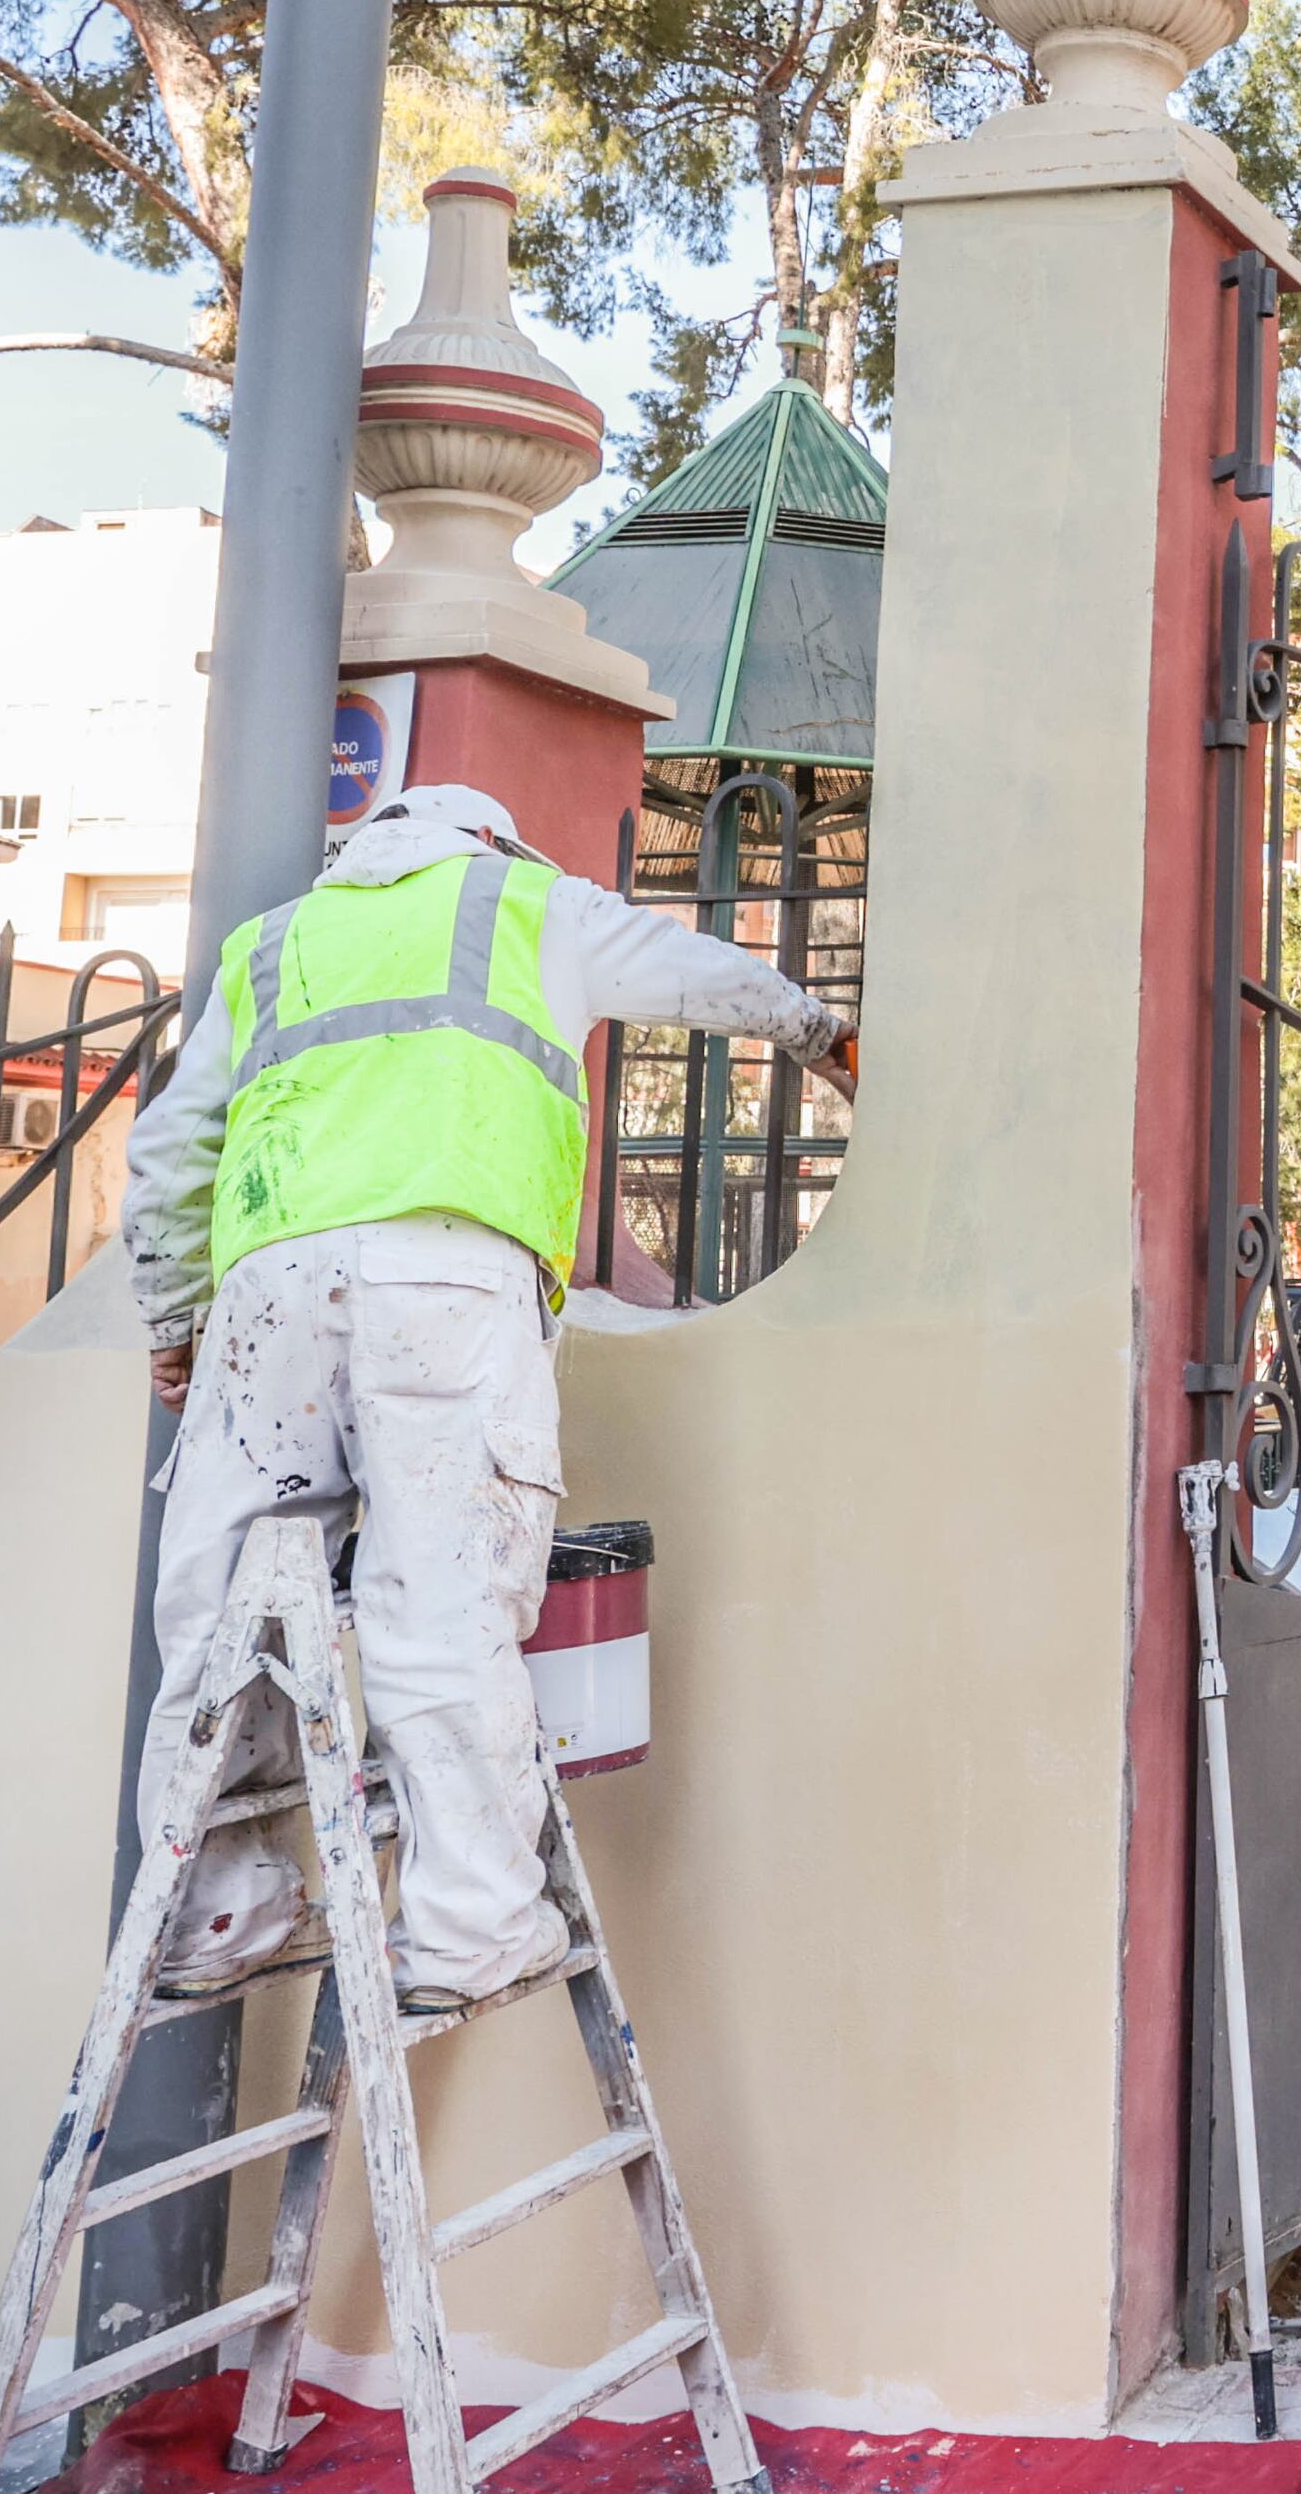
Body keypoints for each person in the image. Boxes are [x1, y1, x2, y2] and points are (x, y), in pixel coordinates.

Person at [123, 784, 855, 2014]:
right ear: (492, 840)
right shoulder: (526, 901)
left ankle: (211, 1915)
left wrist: (174, 1317)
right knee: (441, 1606)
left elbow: (172, 1149)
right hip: (444, 1282)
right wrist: (819, 1033)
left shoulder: (273, 942)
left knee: (218, 1609)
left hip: (270, 1297)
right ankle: (467, 1934)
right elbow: (693, 970)